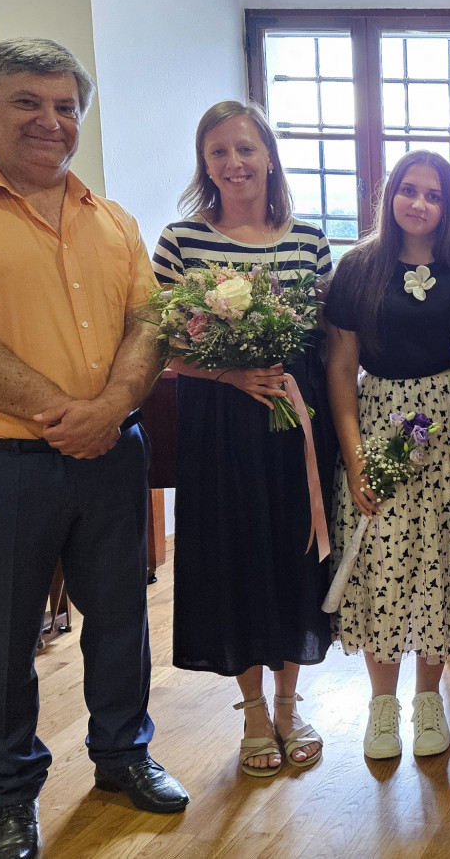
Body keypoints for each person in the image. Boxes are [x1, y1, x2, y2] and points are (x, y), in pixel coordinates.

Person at [0, 37, 187, 859]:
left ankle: (123, 753)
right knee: (3, 635)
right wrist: (68, 416)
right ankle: (11, 793)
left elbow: (149, 321)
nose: (50, 121)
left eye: (65, 106)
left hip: (112, 454)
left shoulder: (112, 219)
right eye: (28, 102)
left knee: (120, 616)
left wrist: (112, 409)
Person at [151, 101, 336, 779]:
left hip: (293, 425)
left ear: (270, 157)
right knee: (235, 558)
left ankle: (289, 704)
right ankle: (253, 711)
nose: (234, 163)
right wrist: (229, 372)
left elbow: (325, 338)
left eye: (246, 149)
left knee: (292, 557)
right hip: (220, 428)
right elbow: (162, 346)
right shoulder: (180, 240)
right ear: (205, 164)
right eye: (219, 152)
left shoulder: (309, 240)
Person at [323, 150, 450, 761]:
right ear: (391, 195)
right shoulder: (358, 267)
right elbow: (340, 369)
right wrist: (356, 456)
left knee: (440, 560)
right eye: (409, 190)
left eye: (434, 195)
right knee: (380, 560)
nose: (419, 203)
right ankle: (382, 704)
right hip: (380, 423)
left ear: (448, 205)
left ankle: (428, 698)